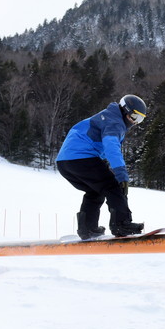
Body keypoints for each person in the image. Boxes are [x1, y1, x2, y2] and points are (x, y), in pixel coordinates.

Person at [56, 94, 148, 240]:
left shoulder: (106, 116)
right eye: (135, 117)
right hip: (81, 158)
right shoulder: (115, 121)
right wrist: (121, 174)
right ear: (125, 110)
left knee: (95, 190)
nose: (135, 122)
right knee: (113, 186)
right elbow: (111, 146)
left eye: (140, 120)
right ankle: (121, 224)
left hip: (65, 162)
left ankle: (87, 229)